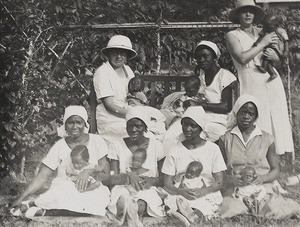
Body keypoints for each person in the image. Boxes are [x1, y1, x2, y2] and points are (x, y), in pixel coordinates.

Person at [10, 105, 111, 217]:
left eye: (79, 122)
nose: (75, 126)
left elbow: (106, 174)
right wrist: (21, 197)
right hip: (66, 189)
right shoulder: (60, 145)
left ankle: (44, 211)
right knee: (61, 194)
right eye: (70, 123)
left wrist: (87, 172)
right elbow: (42, 176)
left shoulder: (97, 141)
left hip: (90, 189)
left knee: (96, 200)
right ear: (65, 125)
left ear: (85, 124)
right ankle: (36, 206)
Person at [226, 0, 294, 156]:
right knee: (256, 118)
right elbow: (242, 58)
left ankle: (278, 159)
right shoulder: (232, 35)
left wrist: (275, 56)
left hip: (271, 80)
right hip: (251, 81)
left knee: (276, 116)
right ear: (238, 15)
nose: (248, 14)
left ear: (255, 14)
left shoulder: (264, 31)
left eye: (251, 11)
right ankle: (256, 159)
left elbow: (278, 59)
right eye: (244, 11)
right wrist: (263, 44)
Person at [218, 95, 300, 219]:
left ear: (256, 116)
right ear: (236, 113)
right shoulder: (226, 139)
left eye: (250, 113)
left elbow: (275, 170)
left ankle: (257, 210)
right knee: (230, 207)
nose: (246, 116)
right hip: (237, 189)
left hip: (261, 187)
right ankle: (246, 211)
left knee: (273, 206)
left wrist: (262, 178)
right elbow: (218, 171)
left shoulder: (267, 139)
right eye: (243, 112)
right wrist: (230, 180)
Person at [162, 106, 226, 223]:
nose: (187, 128)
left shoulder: (213, 149)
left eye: (193, 126)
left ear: (201, 128)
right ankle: (186, 215)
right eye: (185, 124)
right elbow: (167, 183)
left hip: (205, 191)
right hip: (180, 191)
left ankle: (188, 215)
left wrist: (203, 191)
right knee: (177, 202)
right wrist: (180, 192)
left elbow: (219, 182)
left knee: (203, 205)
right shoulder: (175, 149)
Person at [106, 107, 166, 227]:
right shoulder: (117, 144)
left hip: (147, 188)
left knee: (142, 202)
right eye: (130, 126)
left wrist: (152, 180)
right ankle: (129, 214)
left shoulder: (156, 145)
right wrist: (129, 175)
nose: (133, 129)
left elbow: (164, 177)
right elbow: (113, 177)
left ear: (145, 127)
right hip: (123, 186)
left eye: (138, 126)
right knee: (122, 197)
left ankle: (132, 213)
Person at [93, 35, 137, 138]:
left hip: (127, 112)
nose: (119, 57)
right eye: (115, 53)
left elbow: (133, 93)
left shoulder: (128, 70)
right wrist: (132, 116)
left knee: (154, 127)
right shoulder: (103, 72)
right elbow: (109, 106)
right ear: (109, 54)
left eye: (122, 53)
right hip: (110, 118)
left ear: (127, 55)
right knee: (135, 133)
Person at [194, 41, 237, 142]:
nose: (202, 60)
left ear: (214, 57)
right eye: (199, 57)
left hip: (220, 119)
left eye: (205, 56)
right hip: (202, 116)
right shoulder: (201, 77)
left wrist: (202, 105)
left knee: (201, 135)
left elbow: (227, 107)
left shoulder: (225, 76)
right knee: (177, 131)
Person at [253, 13, 289, 80]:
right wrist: (257, 43)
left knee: (269, 59)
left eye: (270, 26)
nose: (268, 28)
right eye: (266, 26)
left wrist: (286, 51)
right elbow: (261, 38)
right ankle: (271, 72)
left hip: (279, 51)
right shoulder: (266, 31)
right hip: (270, 49)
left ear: (276, 25)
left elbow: (286, 41)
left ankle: (271, 71)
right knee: (266, 59)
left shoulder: (280, 31)